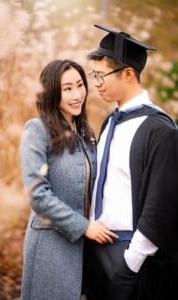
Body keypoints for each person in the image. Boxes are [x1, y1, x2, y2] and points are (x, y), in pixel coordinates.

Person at [85, 24, 178, 300]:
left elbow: (160, 206)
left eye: (101, 75)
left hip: (132, 258)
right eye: (94, 75)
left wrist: (130, 265)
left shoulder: (160, 130)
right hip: (97, 253)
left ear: (128, 74)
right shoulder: (108, 123)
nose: (96, 83)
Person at [19, 59, 117, 300]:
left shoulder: (86, 131)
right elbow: (37, 194)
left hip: (85, 247)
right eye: (67, 88)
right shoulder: (37, 130)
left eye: (80, 85)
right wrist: (84, 227)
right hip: (51, 244)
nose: (77, 95)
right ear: (52, 92)